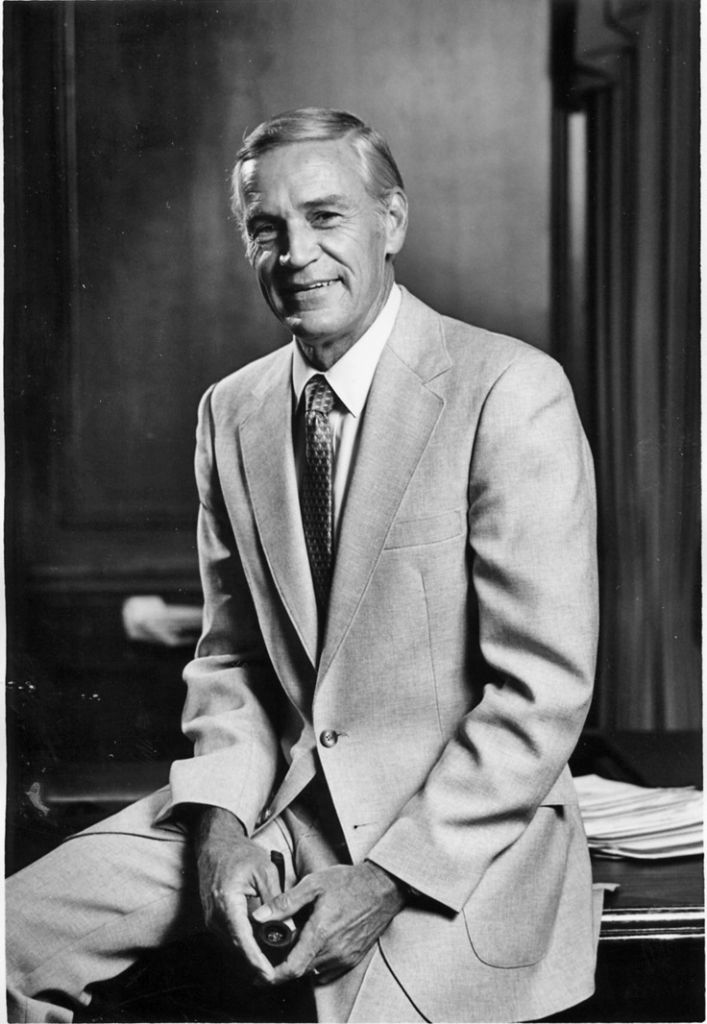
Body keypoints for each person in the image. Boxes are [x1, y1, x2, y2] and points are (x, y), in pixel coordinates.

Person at [7, 107, 600, 1023]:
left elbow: (540, 693)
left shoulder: (508, 391)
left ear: (391, 222)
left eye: (326, 218)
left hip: (447, 838)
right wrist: (218, 830)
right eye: (266, 228)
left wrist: (388, 879)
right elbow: (230, 660)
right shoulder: (231, 410)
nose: (295, 254)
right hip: (270, 804)